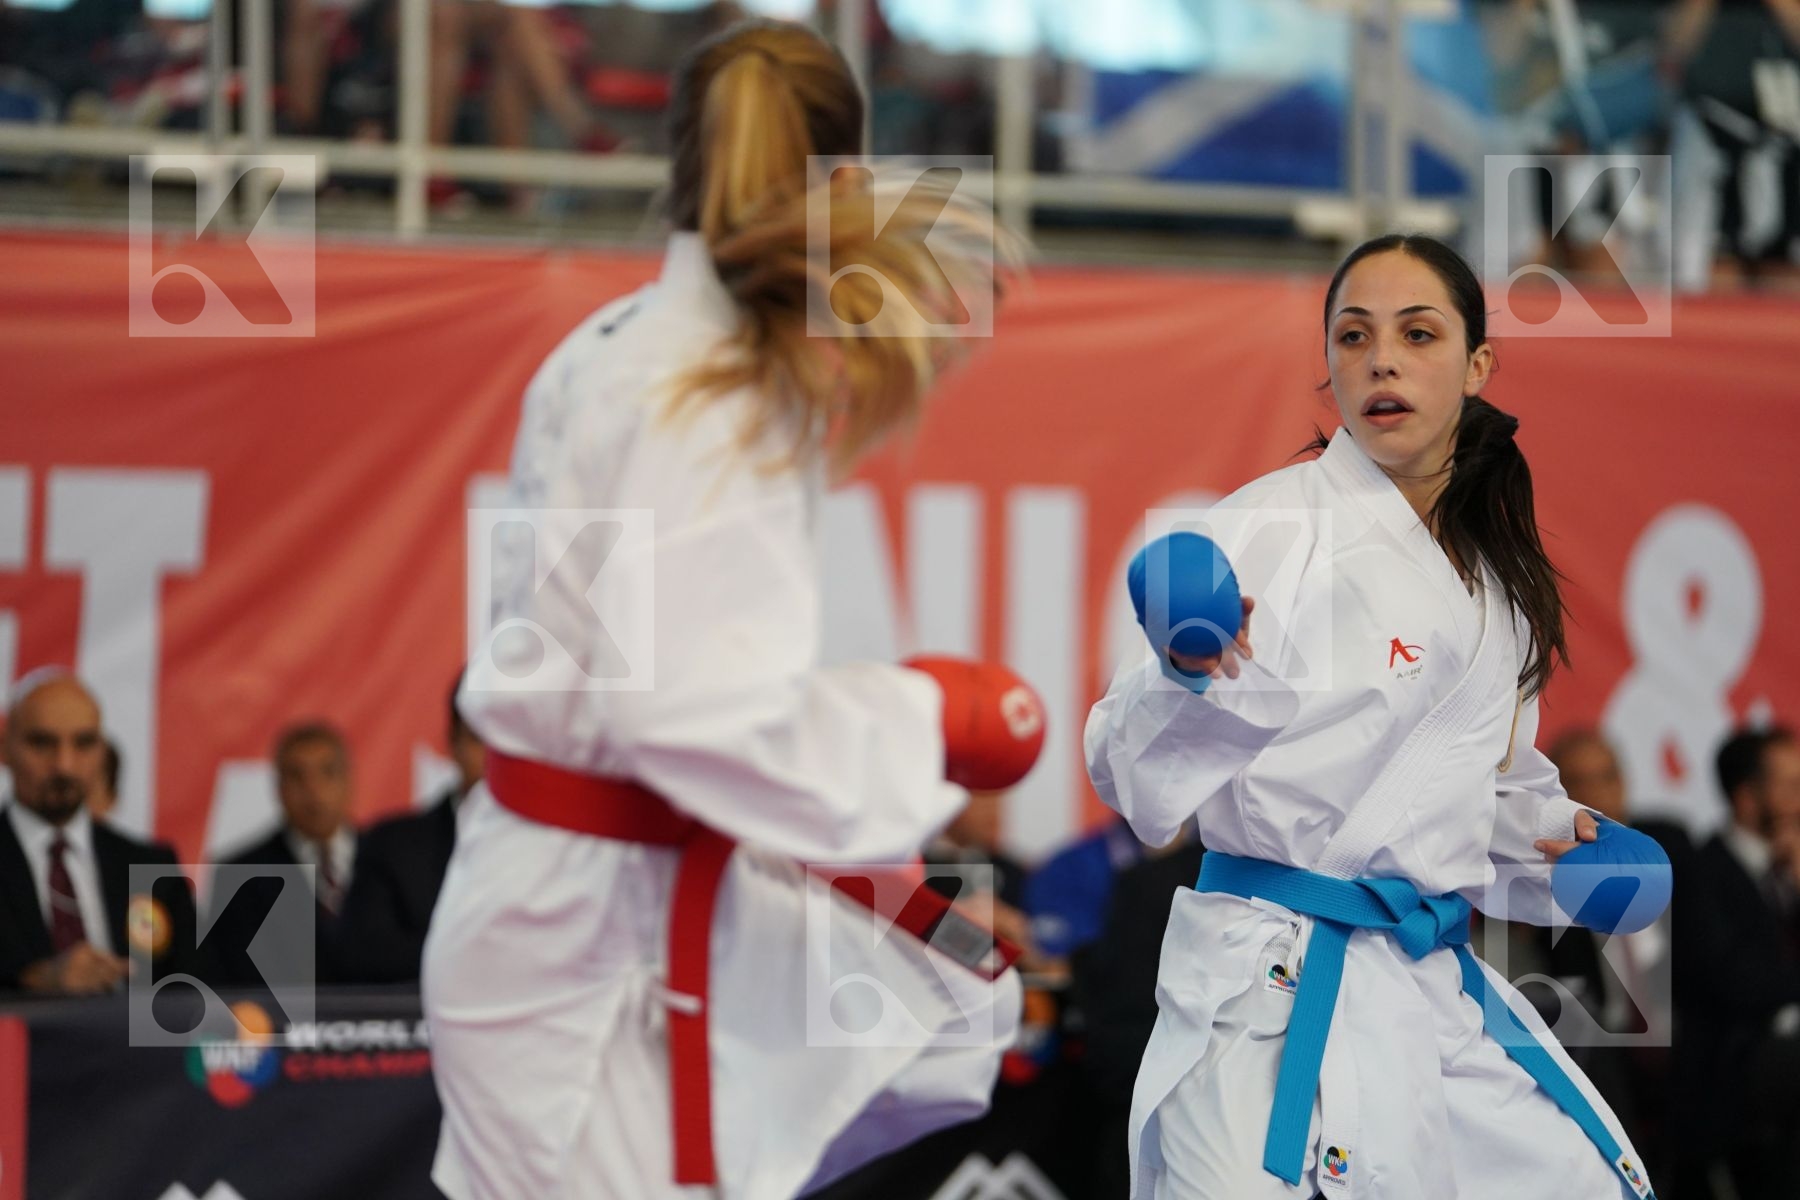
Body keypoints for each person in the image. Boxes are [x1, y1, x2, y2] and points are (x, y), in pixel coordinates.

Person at [421, 18, 1037, 1200]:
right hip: (595, 948)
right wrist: (920, 718)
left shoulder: (604, 349)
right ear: (846, 183)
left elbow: (644, 690)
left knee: (952, 994)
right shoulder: (719, 393)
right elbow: (690, 718)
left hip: (552, 899)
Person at [1086, 233, 1657, 1199]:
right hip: (1266, 982)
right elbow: (1131, 779)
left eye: (1417, 333)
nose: (1381, 359)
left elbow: (1476, 797)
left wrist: (1568, 858)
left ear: (1477, 365)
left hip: (1419, 985)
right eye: (1353, 337)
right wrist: (1184, 670)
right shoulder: (1268, 527)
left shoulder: (1499, 591)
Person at [0, 669, 198, 994]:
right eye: (42, 743)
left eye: (83, 743)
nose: (64, 765)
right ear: (5, 748)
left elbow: (197, 993)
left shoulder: (152, 867)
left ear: (102, 751)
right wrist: (36, 982)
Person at [1668, 726, 1800, 1195]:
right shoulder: (1701, 872)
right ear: (1746, 799)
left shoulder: (1788, 869)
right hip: (1730, 1070)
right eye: (1790, 788)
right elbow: (1738, 984)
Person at [337, 673, 483, 984]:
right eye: (480, 740)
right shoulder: (392, 848)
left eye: (511, 743)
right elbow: (362, 955)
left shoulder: (563, 848)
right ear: (454, 743)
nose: (496, 759)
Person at [210, 721, 359, 986]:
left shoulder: (388, 861)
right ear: (278, 787)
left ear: (349, 780)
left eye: (327, 772)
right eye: (297, 776)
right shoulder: (239, 875)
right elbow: (232, 977)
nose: (313, 789)